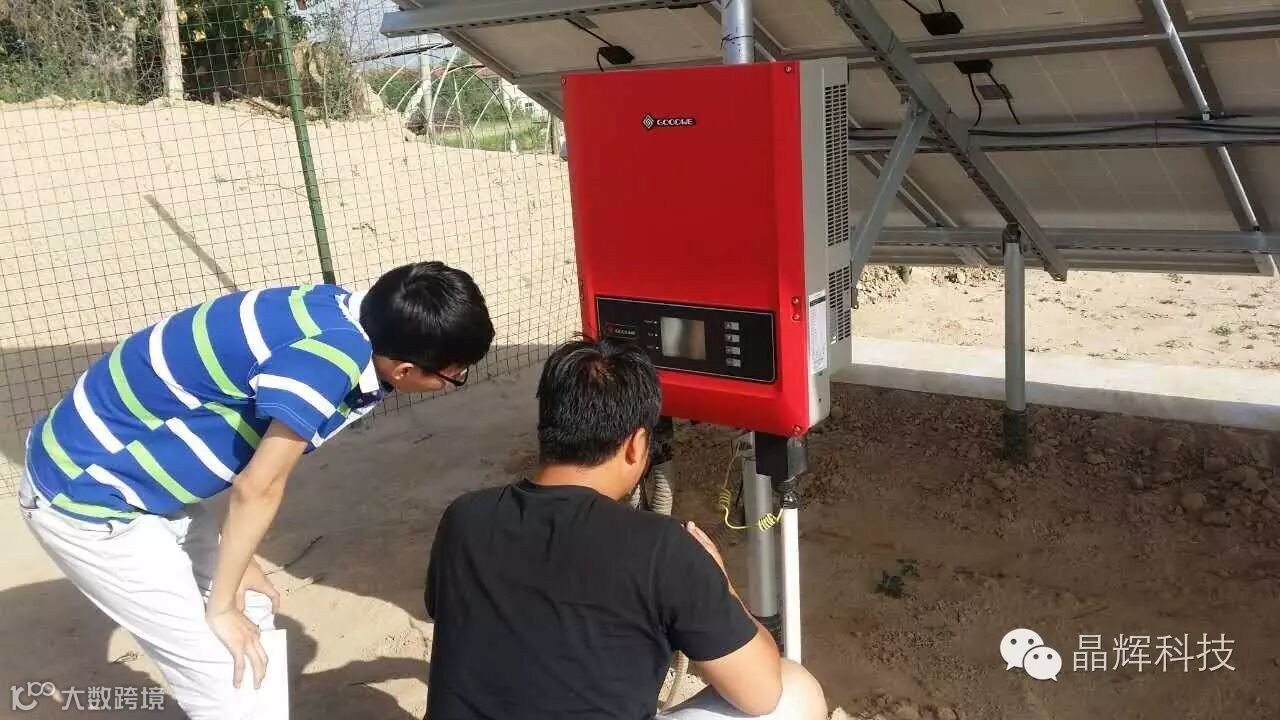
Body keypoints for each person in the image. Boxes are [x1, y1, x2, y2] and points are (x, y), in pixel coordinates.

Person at [18, 261, 494, 720]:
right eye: (453, 375)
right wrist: (221, 603)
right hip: (87, 498)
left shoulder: (342, 312)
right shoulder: (330, 363)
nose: (454, 381)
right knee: (222, 668)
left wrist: (237, 560)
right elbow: (258, 487)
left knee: (255, 605)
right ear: (405, 370)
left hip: (143, 488)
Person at [423, 337, 827, 720]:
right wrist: (723, 587)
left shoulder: (463, 518)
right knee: (795, 687)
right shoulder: (665, 549)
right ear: (636, 445)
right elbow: (760, 693)